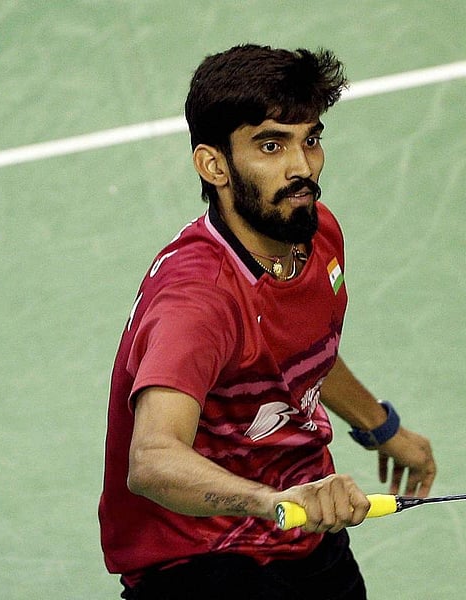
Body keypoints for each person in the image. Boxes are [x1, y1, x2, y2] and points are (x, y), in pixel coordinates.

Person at [98, 44, 437, 600]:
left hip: (301, 531)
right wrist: (273, 502)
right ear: (214, 165)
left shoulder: (315, 233)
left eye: (311, 140)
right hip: (198, 558)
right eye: (271, 146)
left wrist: (381, 428)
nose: (301, 167)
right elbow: (153, 460)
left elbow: (300, 356)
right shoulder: (198, 301)